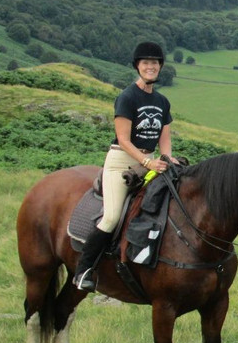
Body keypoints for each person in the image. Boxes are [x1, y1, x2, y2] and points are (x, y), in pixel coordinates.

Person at [72, 41, 174, 290]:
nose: (151, 67)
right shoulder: (127, 97)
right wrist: (147, 162)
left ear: (160, 67)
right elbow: (124, 140)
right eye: (146, 63)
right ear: (138, 66)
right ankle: (83, 270)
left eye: (155, 63)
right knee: (111, 217)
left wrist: (167, 160)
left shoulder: (162, 102)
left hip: (150, 162)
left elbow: (165, 138)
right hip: (122, 162)